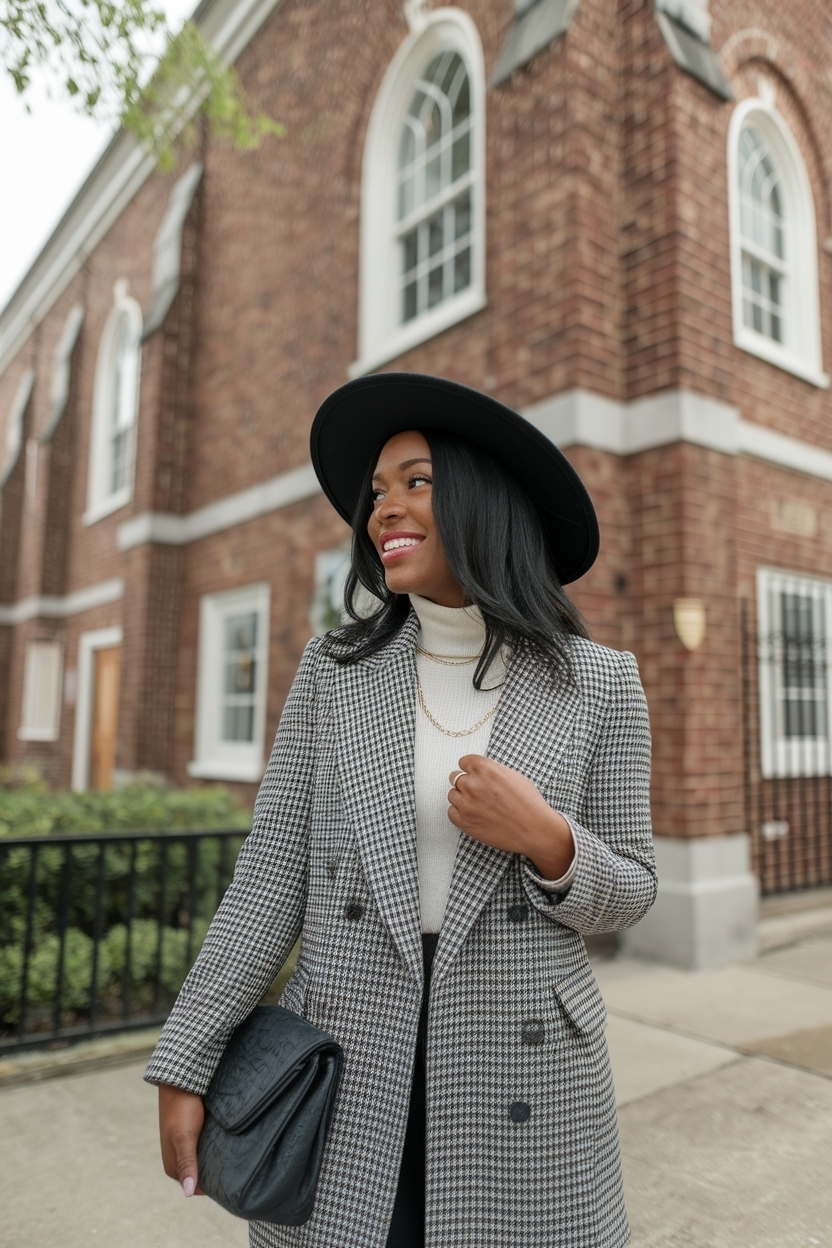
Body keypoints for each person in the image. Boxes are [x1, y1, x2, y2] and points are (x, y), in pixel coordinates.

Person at [145, 373, 656, 1248]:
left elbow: (634, 890)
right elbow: (268, 881)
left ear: (484, 502)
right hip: (345, 1049)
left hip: (522, 1061)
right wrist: (189, 1056)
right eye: (377, 490)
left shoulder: (599, 683)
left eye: (417, 481)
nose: (384, 507)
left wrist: (549, 840)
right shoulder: (333, 671)